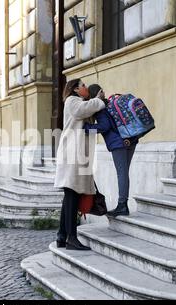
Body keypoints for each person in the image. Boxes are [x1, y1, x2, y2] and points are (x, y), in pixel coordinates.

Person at [54, 79, 106, 251]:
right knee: (72, 196)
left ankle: (62, 236)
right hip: (72, 155)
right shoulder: (72, 101)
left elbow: (85, 129)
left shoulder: (80, 103)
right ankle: (71, 238)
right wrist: (98, 100)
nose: (85, 88)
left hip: (78, 156)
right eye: (83, 86)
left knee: (70, 197)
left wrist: (100, 128)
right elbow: (80, 111)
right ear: (76, 89)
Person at [84, 85, 139, 217]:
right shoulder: (111, 104)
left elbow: (104, 126)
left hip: (118, 143)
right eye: (102, 90)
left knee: (122, 174)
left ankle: (122, 205)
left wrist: (87, 129)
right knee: (124, 173)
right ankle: (123, 203)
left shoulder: (100, 108)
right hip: (130, 139)